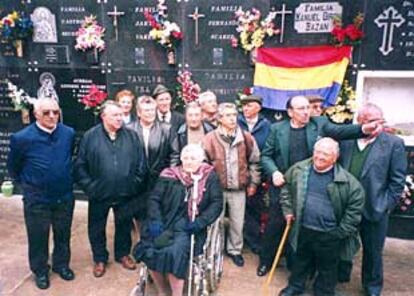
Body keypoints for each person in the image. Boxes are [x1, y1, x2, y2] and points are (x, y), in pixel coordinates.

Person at [257, 95, 383, 277]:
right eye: (301, 108)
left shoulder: (320, 123)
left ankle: (298, 266)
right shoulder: (277, 129)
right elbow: (266, 156)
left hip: (310, 184)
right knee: (276, 224)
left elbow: (342, 131)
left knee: (304, 227)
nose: (306, 111)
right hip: (285, 184)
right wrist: (274, 172)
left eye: (307, 107)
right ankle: (266, 261)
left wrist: (364, 129)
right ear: (290, 112)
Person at [279, 138, 365, 296]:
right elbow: (286, 189)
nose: (319, 156)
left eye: (325, 154)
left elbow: (353, 213)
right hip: (304, 227)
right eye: (317, 152)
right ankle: (295, 286)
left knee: (327, 268)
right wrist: (288, 210)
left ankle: (323, 291)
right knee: (301, 261)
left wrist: (339, 233)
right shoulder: (298, 170)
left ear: (334, 157)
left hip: (330, 233)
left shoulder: (350, 184)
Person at [133, 144, 223, 296]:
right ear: (180, 159)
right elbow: (154, 199)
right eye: (186, 158)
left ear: (201, 160)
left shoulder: (209, 176)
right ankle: (163, 291)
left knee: (175, 253)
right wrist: (156, 221)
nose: (189, 161)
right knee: (151, 249)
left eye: (193, 158)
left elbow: (216, 204)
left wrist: (199, 223)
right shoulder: (169, 175)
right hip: (165, 222)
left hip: (190, 226)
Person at [7, 98, 75, 289]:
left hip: (63, 196)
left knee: (63, 234)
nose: (52, 116)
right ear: (36, 114)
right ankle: (40, 271)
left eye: (55, 112)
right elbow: (14, 167)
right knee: (38, 236)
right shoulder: (22, 138)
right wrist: (29, 187)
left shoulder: (68, 133)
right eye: (46, 113)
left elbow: (69, 157)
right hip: (37, 199)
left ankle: (61, 265)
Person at [339, 103, 407, 296]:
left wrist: (385, 205)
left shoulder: (393, 143)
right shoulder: (347, 140)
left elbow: (397, 180)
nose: (377, 126)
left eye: (380, 121)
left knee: (373, 252)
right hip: (346, 206)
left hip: (374, 207)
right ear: (360, 122)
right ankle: (341, 276)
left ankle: (372, 288)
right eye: (371, 122)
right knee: (341, 244)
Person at [75, 101, 146, 278]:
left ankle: (122, 254)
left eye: (120, 115)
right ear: (103, 116)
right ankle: (100, 258)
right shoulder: (90, 137)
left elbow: (141, 163)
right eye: (114, 115)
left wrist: (134, 184)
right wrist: (91, 187)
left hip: (126, 192)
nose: (119, 118)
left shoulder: (132, 136)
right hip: (99, 193)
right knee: (96, 227)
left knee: (123, 225)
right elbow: (80, 165)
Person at [203, 102, 261, 267]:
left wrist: (253, 183)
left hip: (238, 188)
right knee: (216, 221)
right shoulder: (209, 139)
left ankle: (235, 250)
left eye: (234, 115)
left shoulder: (246, 138)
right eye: (228, 115)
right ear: (220, 119)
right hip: (216, 190)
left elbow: (255, 162)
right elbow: (203, 164)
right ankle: (216, 250)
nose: (232, 118)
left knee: (237, 222)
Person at [127, 95, 180, 197]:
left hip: (159, 179)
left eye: (152, 110)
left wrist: (169, 176)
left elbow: (175, 154)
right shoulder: (129, 130)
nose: (150, 113)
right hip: (135, 182)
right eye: (146, 110)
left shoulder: (166, 129)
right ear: (139, 112)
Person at [238, 94, 271, 254]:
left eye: (249, 105)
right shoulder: (236, 122)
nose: (245, 108)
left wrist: (256, 180)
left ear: (258, 107)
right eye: (243, 106)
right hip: (237, 172)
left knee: (253, 208)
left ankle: (252, 240)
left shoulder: (267, 126)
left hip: (257, 172)